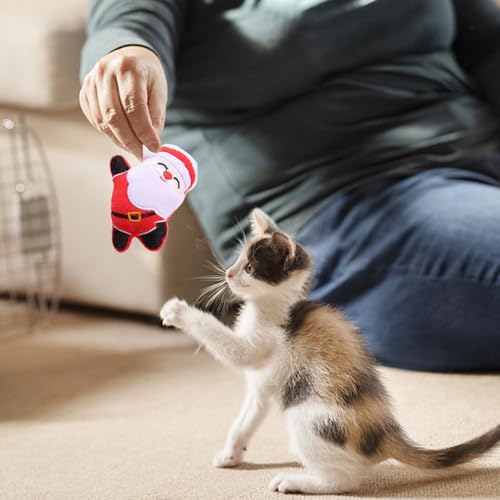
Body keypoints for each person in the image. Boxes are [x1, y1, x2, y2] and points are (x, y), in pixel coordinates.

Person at [80, 0, 500, 372]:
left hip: (479, 148)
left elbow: (486, 42)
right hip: (350, 211)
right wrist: (127, 56)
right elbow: (126, 23)